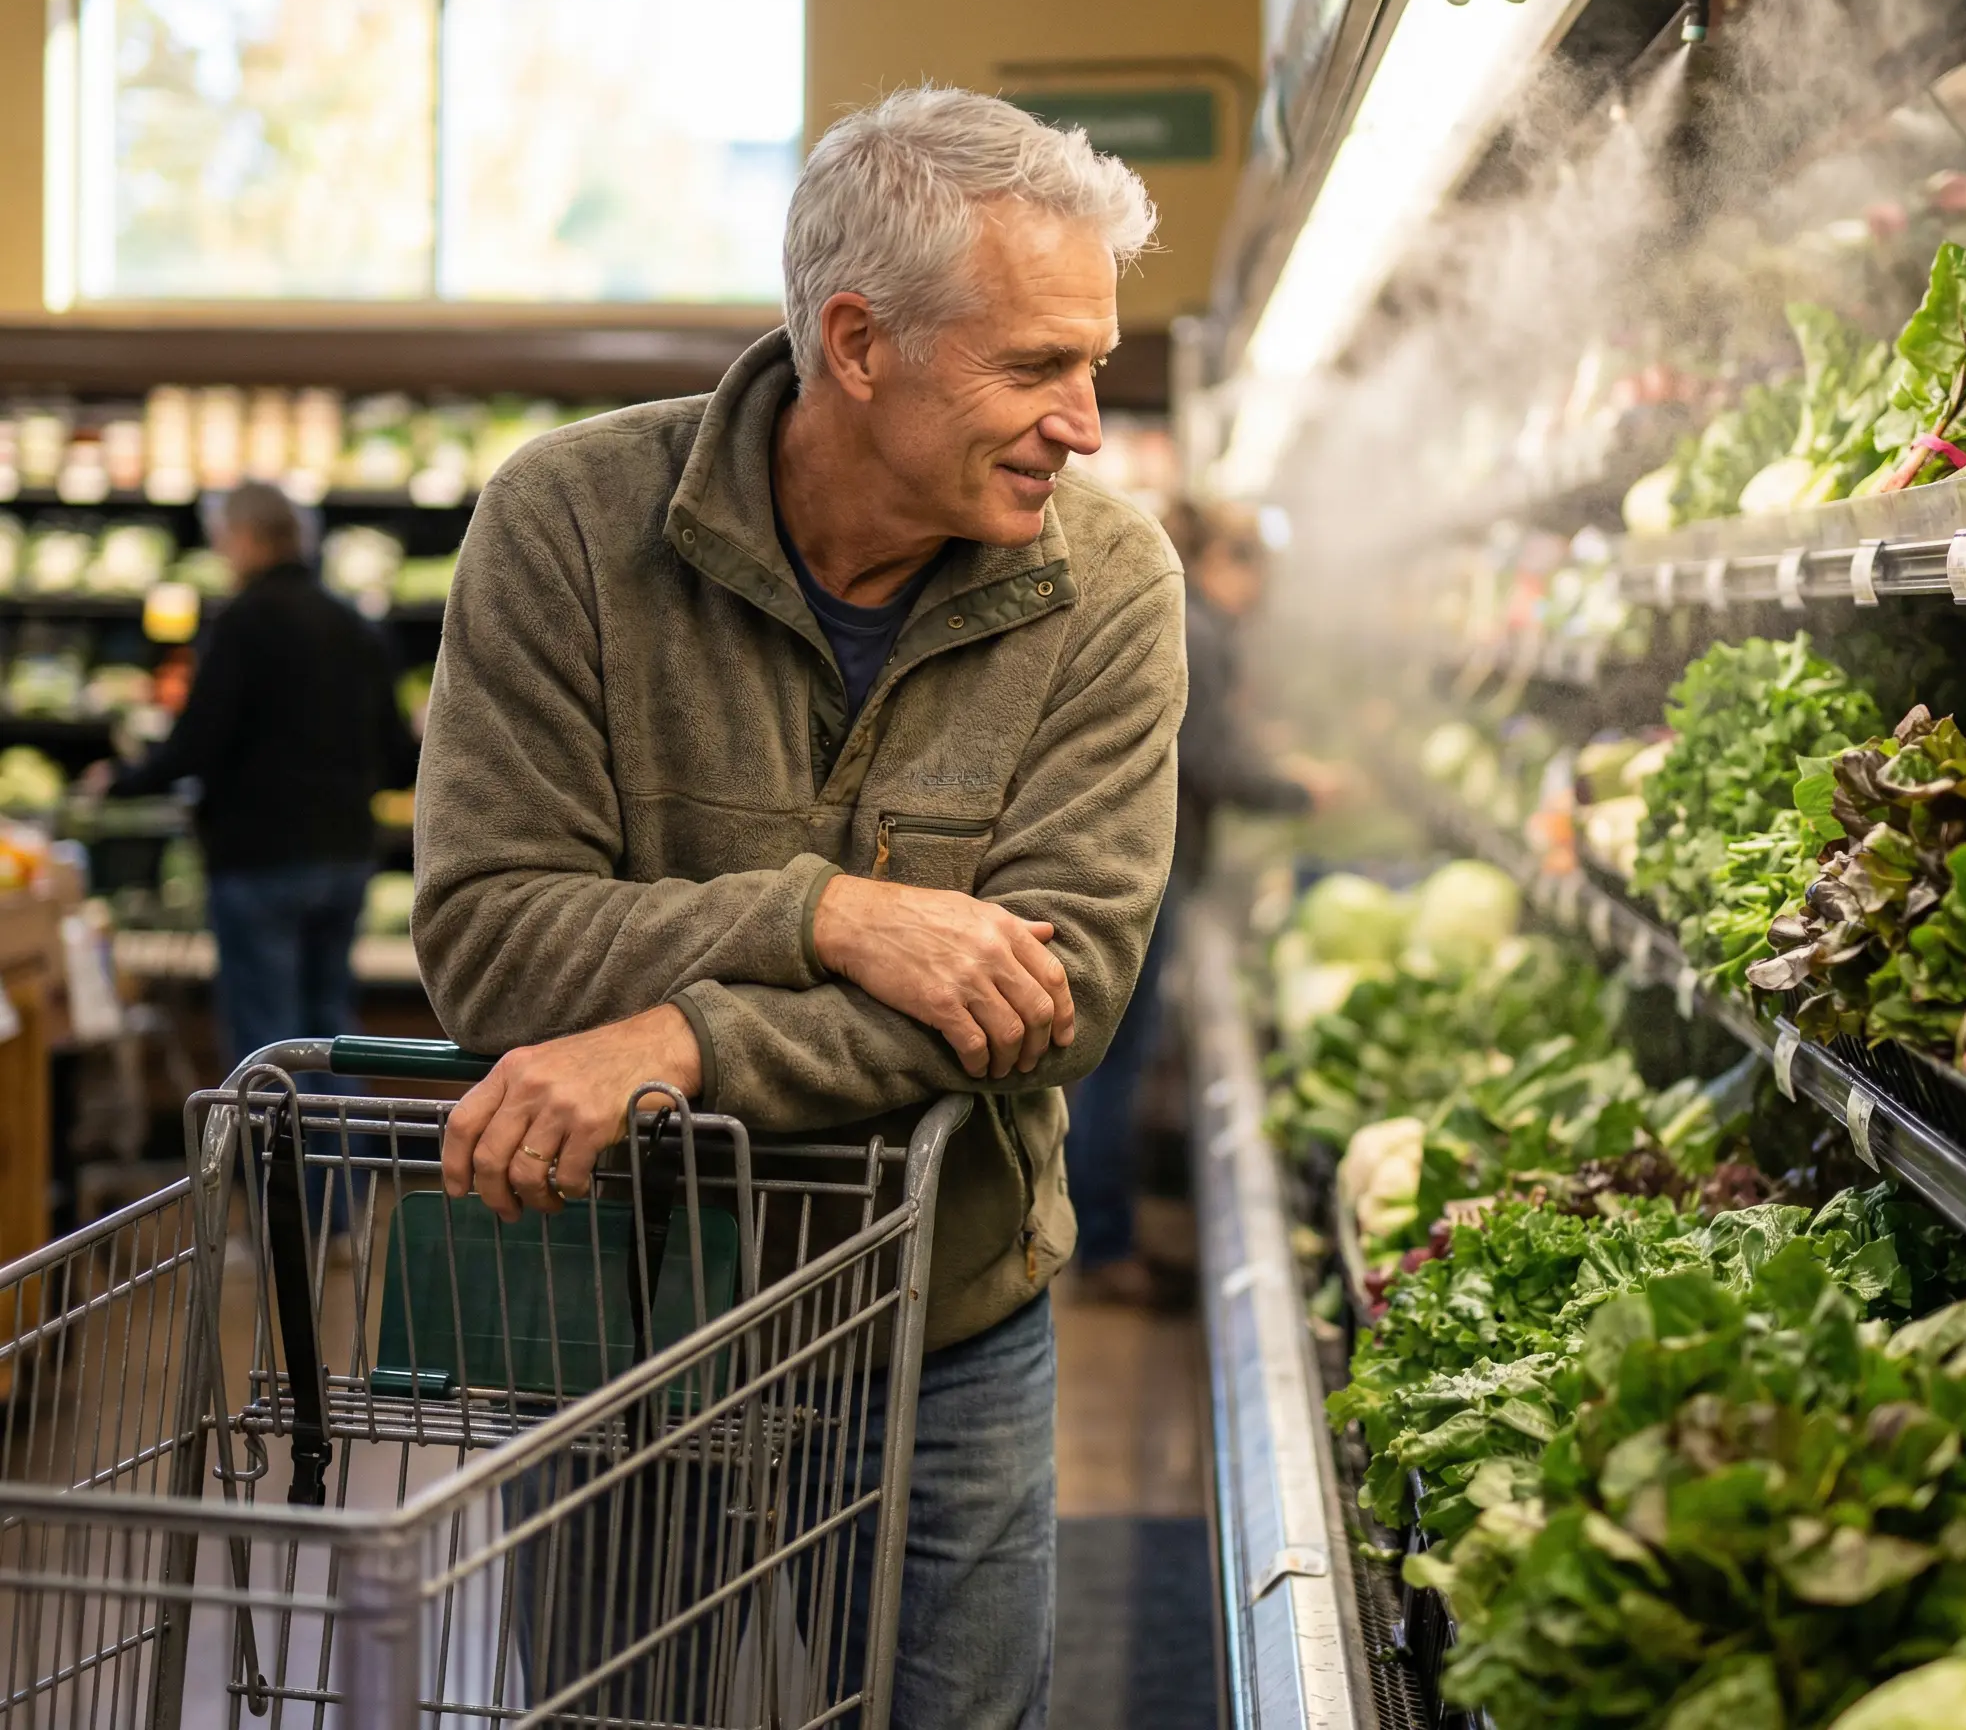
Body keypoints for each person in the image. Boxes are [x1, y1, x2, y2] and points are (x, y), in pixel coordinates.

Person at [413, 86, 1185, 1729]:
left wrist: (684, 1032)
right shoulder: (564, 528)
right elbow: (489, 931)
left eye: (1094, 366)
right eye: (1035, 366)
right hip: (635, 1324)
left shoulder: (1110, 584)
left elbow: (1062, 993)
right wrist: (830, 916)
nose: (1085, 424)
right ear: (856, 342)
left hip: (947, 1326)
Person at [1065, 499, 1334, 1304]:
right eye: (1258, 572)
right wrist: (1298, 789)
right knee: (1118, 1057)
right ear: (1228, 561)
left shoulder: (1187, 618)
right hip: (1156, 864)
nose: (1261, 593)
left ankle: (1107, 1231)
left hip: (1146, 856)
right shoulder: (1203, 630)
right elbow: (1210, 761)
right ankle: (1106, 1247)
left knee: (1116, 1055)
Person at [82, 481, 415, 1068]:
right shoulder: (355, 625)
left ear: (240, 538)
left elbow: (196, 743)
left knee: (269, 1047)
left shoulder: (242, 624)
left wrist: (123, 779)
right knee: (334, 1033)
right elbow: (398, 755)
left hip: (260, 859)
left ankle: (278, 1162)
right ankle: (346, 1158)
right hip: (345, 853)